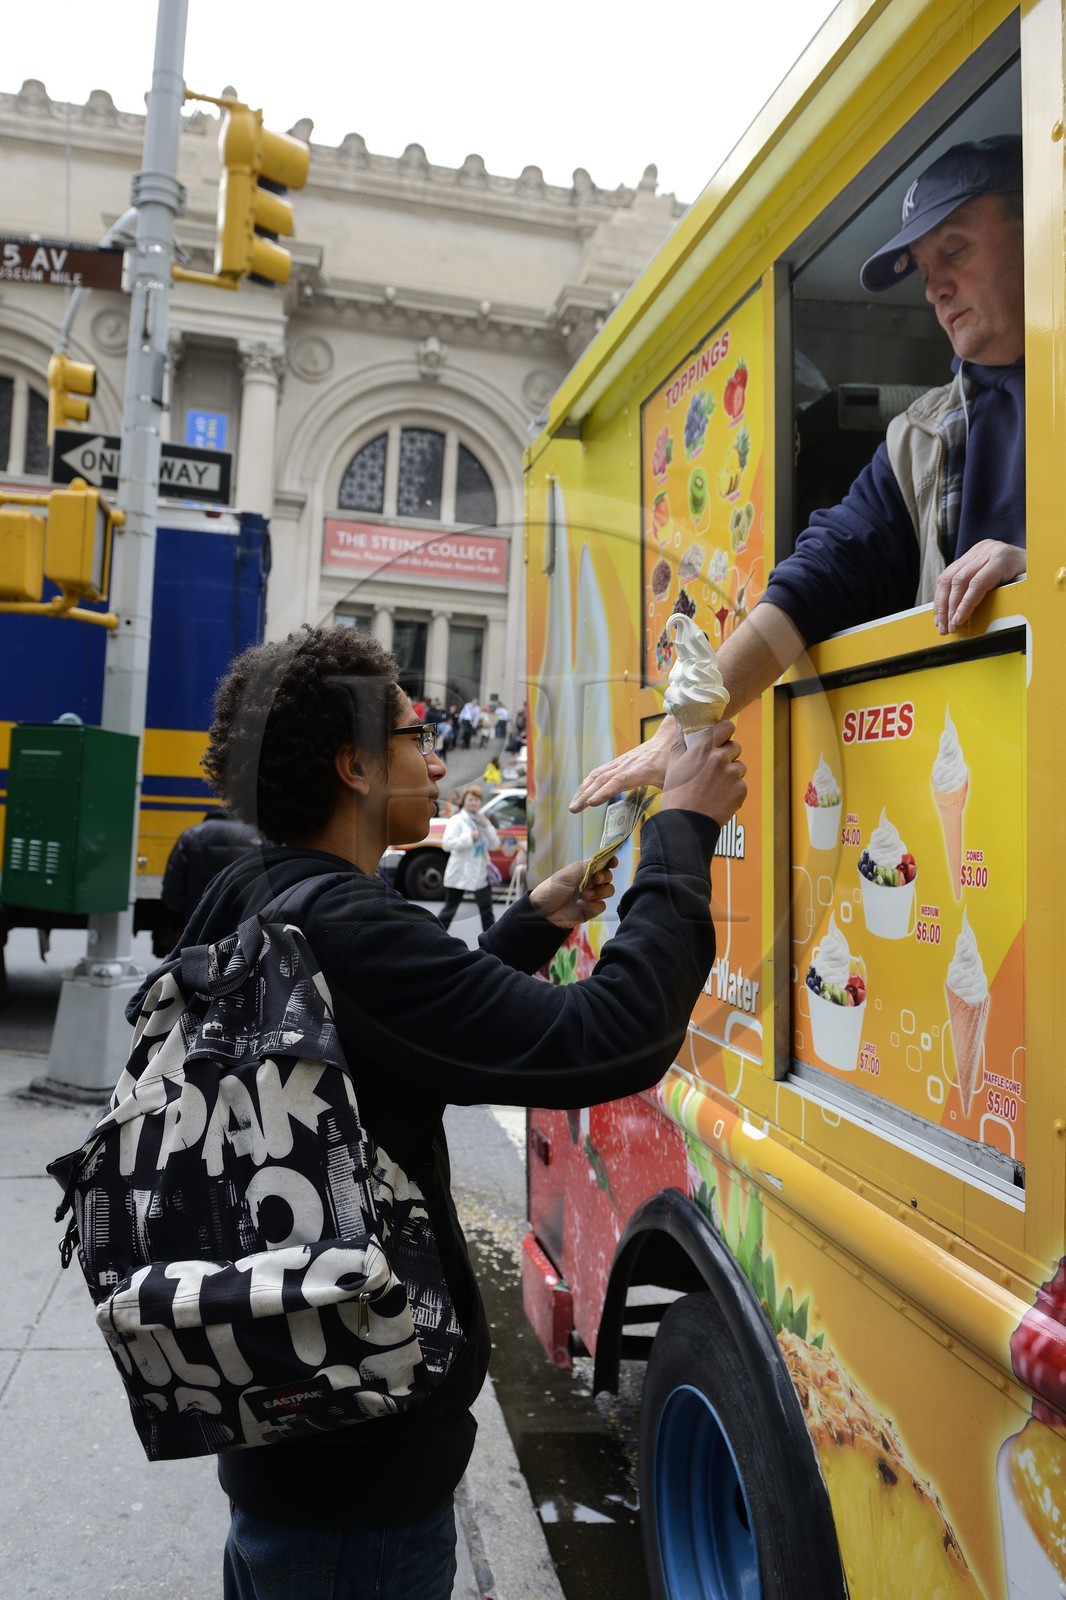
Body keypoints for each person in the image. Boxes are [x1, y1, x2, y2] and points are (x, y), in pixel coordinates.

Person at [145, 623, 743, 1600]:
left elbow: (402, 1052)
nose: (435, 757)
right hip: (360, 1497)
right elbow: (616, 1035)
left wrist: (534, 919)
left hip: (283, 1436)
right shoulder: (352, 931)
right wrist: (681, 827)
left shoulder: (258, 899)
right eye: (417, 736)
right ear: (354, 765)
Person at [571, 135, 1026, 812]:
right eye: (925, 268)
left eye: (955, 250)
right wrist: (680, 728)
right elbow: (820, 576)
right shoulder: (922, 433)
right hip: (999, 782)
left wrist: (1038, 562)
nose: (934, 287)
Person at [154, 807, 261, 955]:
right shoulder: (257, 837)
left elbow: (172, 892)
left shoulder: (191, 836)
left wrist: (182, 914)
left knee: (197, 971)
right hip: (244, 926)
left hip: (198, 925)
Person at [438, 784, 500, 932]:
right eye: (471, 799)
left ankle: (490, 946)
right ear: (464, 801)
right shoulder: (457, 820)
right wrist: (469, 838)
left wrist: (488, 828)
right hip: (460, 872)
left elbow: (494, 845)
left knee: (487, 913)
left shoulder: (483, 821)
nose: (474, 803)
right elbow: (447, 844)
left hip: (481, 874)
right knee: (449, 910)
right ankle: (434, 940)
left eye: (477, 800)